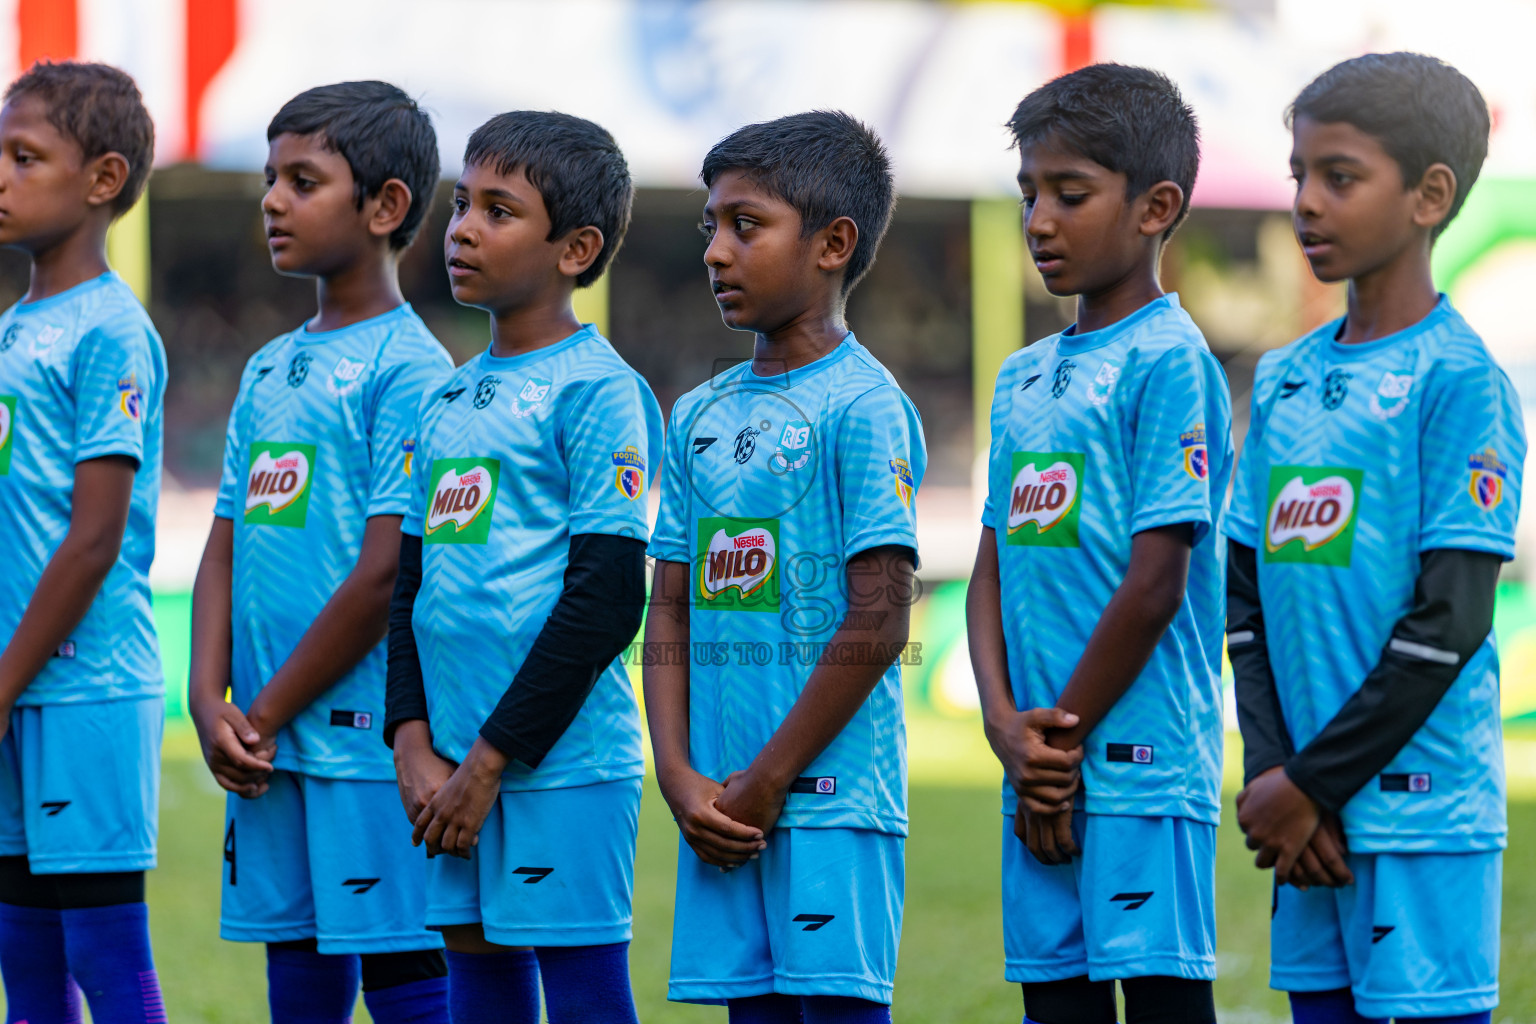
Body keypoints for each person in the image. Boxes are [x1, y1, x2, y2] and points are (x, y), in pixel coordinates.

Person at [1228, 53, 1523, 1024]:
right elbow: (1245, 595)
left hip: (1419, 817)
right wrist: (1277, 775)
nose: (1308, 202)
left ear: (1430, 194)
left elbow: (1451, 618)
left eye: (1340, 177)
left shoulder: (1460, 380)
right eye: (1299, 175)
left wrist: (1313, 780)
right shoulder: (1282, 378)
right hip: (1305, 815)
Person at [645, 110, 925, 1024]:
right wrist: (680, 773)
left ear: (833, 244)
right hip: (725, 805)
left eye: (747, 225)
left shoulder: (865, 407)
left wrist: (770, 777)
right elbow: (672, 611)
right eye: (711, 227)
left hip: (830, 804)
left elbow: (880, 621)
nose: (717, 252)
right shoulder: (696, 413)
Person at [966, 64, 1230, 1024]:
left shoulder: (1171, 361)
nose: (1039, 219)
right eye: (1029, 194)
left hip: (1140, 764)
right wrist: (1004, 726)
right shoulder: (1021, 377)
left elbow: (1156, 584)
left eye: (1069, 195)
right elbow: (991, 567)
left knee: (1163, 999)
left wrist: (1055, 745)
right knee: (1056, 1004)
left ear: (1157, 206)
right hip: (1035, 760)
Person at [187, 81, 454, 1024]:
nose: (271, 199)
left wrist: (258, 709)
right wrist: (205, 696)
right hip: (267, 743)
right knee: (294, 966)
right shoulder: (266, 366)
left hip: (361, 745)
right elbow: (223, 543)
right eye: (270, 178)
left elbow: (384, 569)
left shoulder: (411, 367)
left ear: (384, 207)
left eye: (303, 180)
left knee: (402, 974)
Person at [384, 110, 659, 1024]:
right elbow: (410, 589)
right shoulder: (446, 396)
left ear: (575, 248)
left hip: (557, 766)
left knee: (581, 996)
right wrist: (412, 741)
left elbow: (609, 595)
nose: (461, 227)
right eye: (461, 204)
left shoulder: (598, 388)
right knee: (480, 989)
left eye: (498, 210)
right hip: (449, 767)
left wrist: (492, 760)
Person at [0, 61, 169, 1023]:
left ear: (103, 180)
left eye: (26, 157)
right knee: (24, 961)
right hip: (15, 682)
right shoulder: (11, 329)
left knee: (104, 958)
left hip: (83, 685)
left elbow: (95, 538)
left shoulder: (110, 328)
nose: (1, 176)